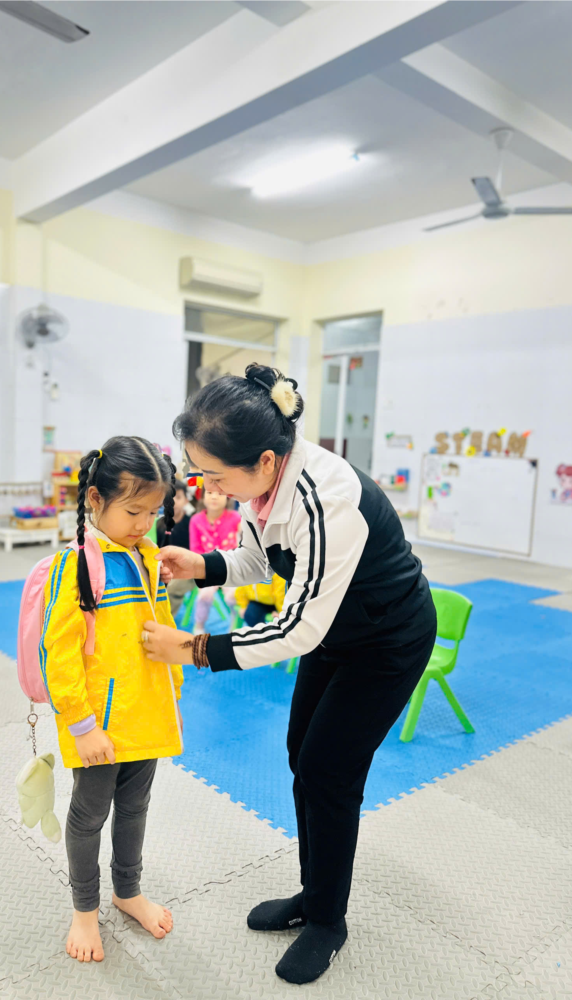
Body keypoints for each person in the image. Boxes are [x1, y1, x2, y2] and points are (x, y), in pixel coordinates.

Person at [141, 364, 436, 985]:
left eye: (215, 475)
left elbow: (297, 629)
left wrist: (194, 648)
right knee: (303, 751)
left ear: (267, 460)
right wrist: (200, 564)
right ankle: (314, 891)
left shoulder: (327, 500)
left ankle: (328, 921)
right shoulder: (263, 487)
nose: (210, 488)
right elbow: (261, 559)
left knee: (329, 771)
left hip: (387, 639)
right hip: (335, 628)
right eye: (202, 475)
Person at [40, 436, 184, 964]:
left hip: (147, 715)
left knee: (135, 808)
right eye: (133, 511)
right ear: (96, 500)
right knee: (89, 815)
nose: (144, 523)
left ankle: (128, 891)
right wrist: (82, 725)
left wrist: (173, 692)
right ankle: (85, 909)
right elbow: (58, 654)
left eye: (153, 512)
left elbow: (162, 629)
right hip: (98, 727)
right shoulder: (77, 564)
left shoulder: (147, 557)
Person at [189, 490, 241, 631]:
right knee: (204, 596)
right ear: (202, 496)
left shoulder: (236, 518)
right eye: (210, 492)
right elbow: (195, 550)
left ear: (228, 497)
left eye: (219, 493)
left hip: (230, 567)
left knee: (233, 596)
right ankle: (199, 626)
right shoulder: (196, 520)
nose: (214, 497)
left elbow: (243, 543)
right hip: (206, 568)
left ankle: (234, 625)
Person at [156, 478, 195, 614]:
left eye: (178, 497)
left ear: (186, 500)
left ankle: (166, 620)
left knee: (171, 588)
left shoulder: (192, 523)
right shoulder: (160, 524)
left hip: (188, 572)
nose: (173, 502)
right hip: (166, 569)